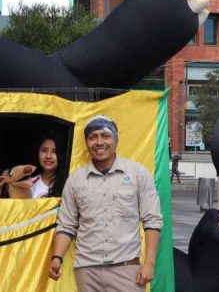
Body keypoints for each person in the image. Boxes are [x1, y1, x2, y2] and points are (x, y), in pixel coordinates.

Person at [49, 115, 163, 291]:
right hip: (87, 271)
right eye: (92, 137)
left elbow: (152, 221)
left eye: (105, 135)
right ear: (87, 143)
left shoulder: (138, 174)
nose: (99, 142)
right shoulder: (75, 180)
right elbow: (67, 224)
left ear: (116, 140)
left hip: (126, 270)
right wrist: (57, 257)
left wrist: (149, 263)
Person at [31, 132, 65, 198]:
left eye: (54, 152)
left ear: (61, 155)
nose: (48, 156)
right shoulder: (29, 184)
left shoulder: (67, 185)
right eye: (44, 150)